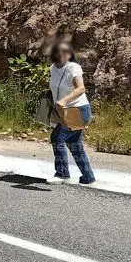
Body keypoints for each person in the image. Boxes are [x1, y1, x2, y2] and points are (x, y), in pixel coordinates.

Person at [45, 41, 96, 185]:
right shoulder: (52, 68)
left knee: (57, 138)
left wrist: (64, 101)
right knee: (75, 144)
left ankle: (62, 174)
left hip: (78, 110)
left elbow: (80, 89)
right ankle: (88, 178)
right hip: (64, 111)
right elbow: (55, 87)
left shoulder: (73, 67)